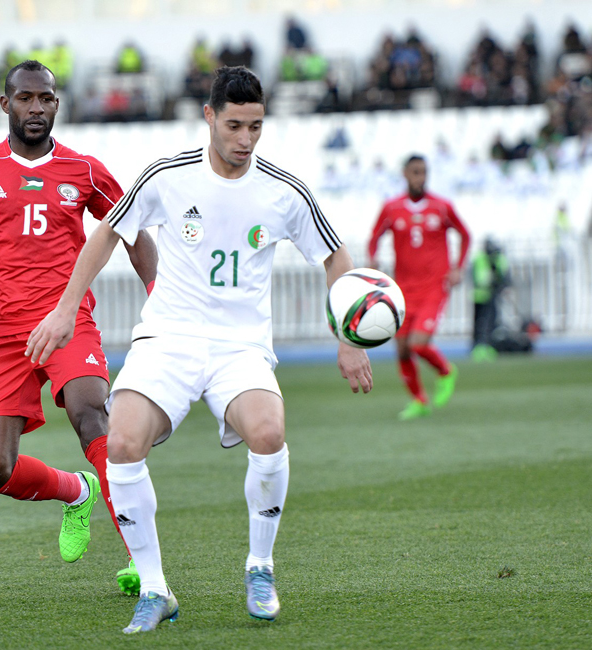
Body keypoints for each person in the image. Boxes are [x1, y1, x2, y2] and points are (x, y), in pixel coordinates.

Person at [28, 66, 372, 633]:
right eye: (234, 125)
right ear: (209, 117)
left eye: (256, 127)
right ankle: (155, 589)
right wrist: (65, 309)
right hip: (168, 337)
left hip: (240, 347)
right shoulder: (168, 176)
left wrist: (349, 336)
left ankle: (260, 566)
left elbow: (335, 257)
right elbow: (108, 234)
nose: (245, 139)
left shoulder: (284, 191)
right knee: (122, 442)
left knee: (269, 432)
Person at [0, 61, 158, 592]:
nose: (37, 108)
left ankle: (140, 562)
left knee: (90, 413)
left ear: (58, 104)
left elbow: (135, 236)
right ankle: (75, 493)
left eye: (47, 99)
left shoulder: (85, 170)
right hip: (1, 333)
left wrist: (160, 299)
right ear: (5, 105)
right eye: (26, 99)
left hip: (65, 318)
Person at [368, 155, 471, 420]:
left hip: (435, 287)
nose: (420, 177)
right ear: (404, 174)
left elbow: (465, 235)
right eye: (415, 172)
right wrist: (373, 261)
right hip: (403, 289)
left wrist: (458, 267)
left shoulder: (442, 206)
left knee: (418, 344)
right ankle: (419, 400)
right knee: (402, 348)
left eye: (423, 172)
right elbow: (374, 237)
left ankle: (446, 371)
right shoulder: (392, 208)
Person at [471, 238, 509, 362]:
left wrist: (501, 284)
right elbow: (480, 279)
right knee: (481, 323)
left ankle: (487, 346)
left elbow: (504, 275)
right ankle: (479, 347)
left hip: (491, 296)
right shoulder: (480, 259)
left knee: (491, 322)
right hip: (481, 296)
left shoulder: (498, 258)